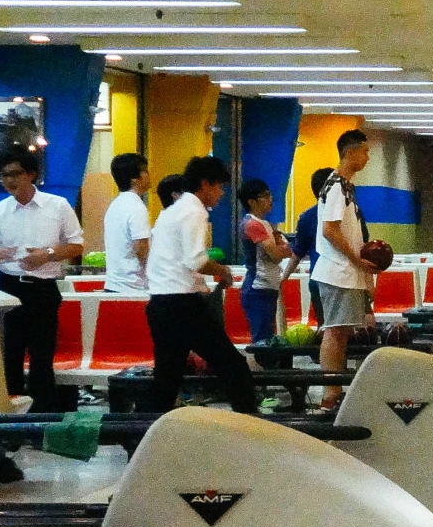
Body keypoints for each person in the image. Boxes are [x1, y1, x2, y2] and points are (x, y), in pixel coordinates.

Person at [143, 155, 256, 414]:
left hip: (160, 303)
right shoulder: (194, 212)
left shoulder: (171, 211)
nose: (221, 194)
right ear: (205, 184)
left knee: (167, 378)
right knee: (232, 365)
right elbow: (196, 260)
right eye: (219, 187)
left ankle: (142, 435)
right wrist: (223, 271)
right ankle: (250, 424)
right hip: (182, 305)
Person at [0, 150, 83, 414]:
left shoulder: (57, 206)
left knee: (42, 359)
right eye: (4, 175)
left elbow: (77, 244)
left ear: (31, 174)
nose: (9, 180)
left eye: (15, 174)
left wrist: (46, 255)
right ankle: (11, 421)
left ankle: (43, 419)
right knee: (9, 357)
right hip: (8, 289)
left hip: (43, 289)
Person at [310, 130, 377, 378]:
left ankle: (334, 388)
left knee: (341, 333)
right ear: (350, 153)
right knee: (335, 332)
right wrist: (356, 259)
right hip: (337, 272)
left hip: (344, 272)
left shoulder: (345, 186)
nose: (367, 157)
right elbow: (330, 230)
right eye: (365, 151)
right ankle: (330, 391)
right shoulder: (336, 185)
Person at [236, 178, 294, 344]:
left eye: (270, 195)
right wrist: (283, 248)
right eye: (264, 196)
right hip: (257, 288)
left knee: (268, 337)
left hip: (268, 287)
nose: (270, 199)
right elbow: (276, 254)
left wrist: (283, 248)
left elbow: (285, 250)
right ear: (251, 202)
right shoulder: (252, 224)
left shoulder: (265, 224)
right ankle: (261, 369)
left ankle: (268, 368)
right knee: (262, 340)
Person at [102, 152, 152, 293]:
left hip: (114, 285)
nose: (149, 175)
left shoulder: (116, 205)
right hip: (132, 288)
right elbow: (141, 248)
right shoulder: (136, 207)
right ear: (135, 179)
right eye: (145, 171)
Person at [289, 165, 334, 324]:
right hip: (343, 280)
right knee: (351, 331)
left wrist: (284, 277)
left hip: (318, 279)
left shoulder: (306, 217)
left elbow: (297, 253)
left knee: (327, 329)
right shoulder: (351, 212)